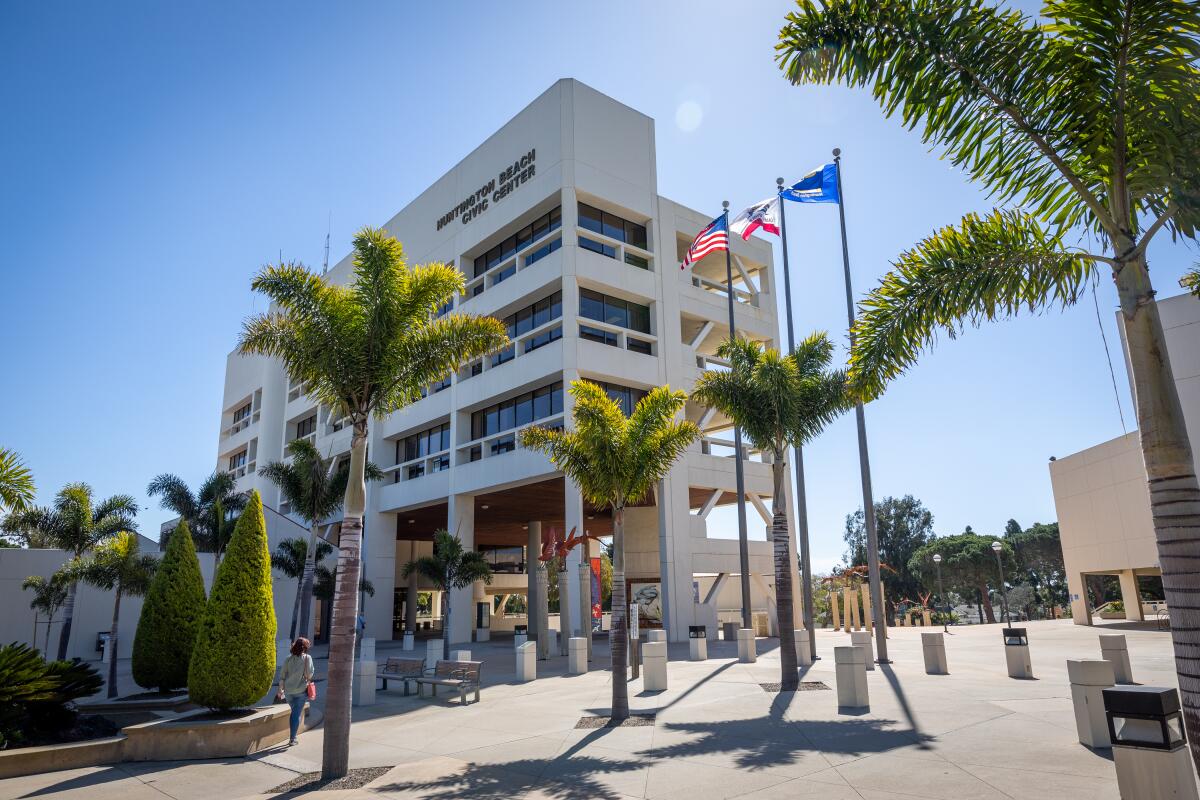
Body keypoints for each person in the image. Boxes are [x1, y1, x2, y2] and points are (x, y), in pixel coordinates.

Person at [278, 637, 314, 746]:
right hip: (301, 691)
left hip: (288, 691)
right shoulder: (307, 658)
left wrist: (280, 689)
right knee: (295, 714)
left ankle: (293, 737)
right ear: (305, 648)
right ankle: (292, 739)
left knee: (294, 712)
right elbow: (310, 674)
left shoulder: (288, 659)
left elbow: (282, 676)